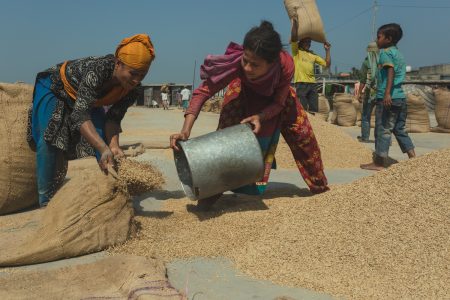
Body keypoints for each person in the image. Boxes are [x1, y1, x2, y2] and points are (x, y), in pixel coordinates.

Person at [170, 21, 329, 211]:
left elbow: (279, 103)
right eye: (246, 60)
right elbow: (203, 92)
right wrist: (185, 131)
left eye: (255, 65)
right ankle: (212, 193)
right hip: (243, 94)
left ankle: (322, 190)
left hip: (279, 101)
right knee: (225, 141)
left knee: (304, 138)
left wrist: (261, 117)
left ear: (272, 64)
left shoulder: (285, 65)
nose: (247, 68)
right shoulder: (236, 63)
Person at [27, 34, 155, 206]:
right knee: (49, 138)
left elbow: (113, 120)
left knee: (102, 139)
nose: (137, 80)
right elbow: (80, 115)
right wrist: (103, 148)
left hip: (87, 100)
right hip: (56, 87)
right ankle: (46, 202)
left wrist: (114, 146)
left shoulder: (132, 90)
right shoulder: (97, 70)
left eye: (143, 75)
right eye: (133, 73)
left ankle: (113, 190)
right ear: (118, 64)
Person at [361, 23, 415, 171]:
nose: (376, 40)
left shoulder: (385, 53)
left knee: (383, 129)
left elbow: (390, 71)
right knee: (399, 129)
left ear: (388, 39)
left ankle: (379, 163)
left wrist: (386, 93)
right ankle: (413, 158)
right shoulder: (398, 53)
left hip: (388, 98)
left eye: (379, 37)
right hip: (400, 98)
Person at [290, 17, 331, 113]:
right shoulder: (296, 52)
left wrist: (327, 50)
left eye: (310, 42)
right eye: (306, 42)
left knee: (314, 109)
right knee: (302, 109)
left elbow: (327, 65)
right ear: (301, 42)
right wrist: (295, 25)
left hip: (312, 84)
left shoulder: (313, 55)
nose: (309, 44)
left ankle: (313, 127)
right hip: (301, 83)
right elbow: (294, 38)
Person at [356, 42, 379, 143]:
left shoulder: (366, 62)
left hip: (370, 93)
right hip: (381, 93)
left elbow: (363, 80)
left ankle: (365, 137)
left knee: (366, 116)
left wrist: (360, 93)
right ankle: (380, 139)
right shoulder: (382, 61)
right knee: (380, 117)